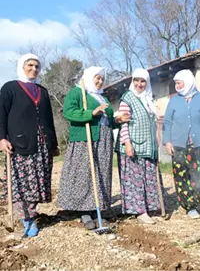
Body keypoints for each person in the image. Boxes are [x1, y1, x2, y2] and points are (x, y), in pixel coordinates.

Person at [57, 66, 128, 229]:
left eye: (102, 78)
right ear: (89, 77)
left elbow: (107, 120)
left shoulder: (102, 96)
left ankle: (98, 208)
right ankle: (84, 211)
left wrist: (117, 121)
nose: (100, 81)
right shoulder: (77, 92)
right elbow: (68, 112)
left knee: (101, 173)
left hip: (103, 141)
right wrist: (91, 113)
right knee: (84, 174)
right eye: (97, 77)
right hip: (85, 140)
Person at [0, 53, 59, 237]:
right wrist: (2, 138)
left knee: (38, 181)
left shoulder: (43, 90)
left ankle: (31, 212)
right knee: (22, 182)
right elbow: (1, 114)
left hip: (42, 144)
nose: (34, 69)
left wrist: (54, 143)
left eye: (37, 66)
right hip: (20, 142)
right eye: (30, 65)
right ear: (22, 66)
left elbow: (49, 118)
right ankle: (27, 218)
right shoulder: (10, 88)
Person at [162, 69, 200, 219]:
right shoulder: (174, 100)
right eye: (176, 83)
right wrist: (167, 141)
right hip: (180, 146)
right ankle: (190, 206)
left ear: (188, 81)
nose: (177, 86)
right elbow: (167, 122)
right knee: (184, 177)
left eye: (179, 82)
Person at [114, 68, 161, 224]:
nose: (139, 84)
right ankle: (140, 211)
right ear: (132, 81)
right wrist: (127, 144)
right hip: (133, 144)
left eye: (143, 81)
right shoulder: (128, 98)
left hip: (147, 146)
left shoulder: (148, 99)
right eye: (137, 80)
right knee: (135, 179)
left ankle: (149, 206)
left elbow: (152, 122)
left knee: (148, 176)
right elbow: (124, 124)